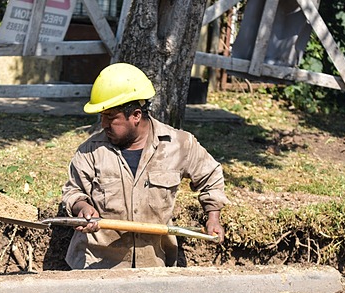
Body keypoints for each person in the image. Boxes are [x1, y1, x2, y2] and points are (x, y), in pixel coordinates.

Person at [61, 63, 229, 269]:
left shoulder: (179, 145)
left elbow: (211, 176)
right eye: (101, 116)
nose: (103, 124)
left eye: (110, 117)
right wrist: (83, 208)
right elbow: (73, 192)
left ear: (136, 116)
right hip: (97, 266)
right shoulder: (90, 151)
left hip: (154, 264)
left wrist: (213, 217)